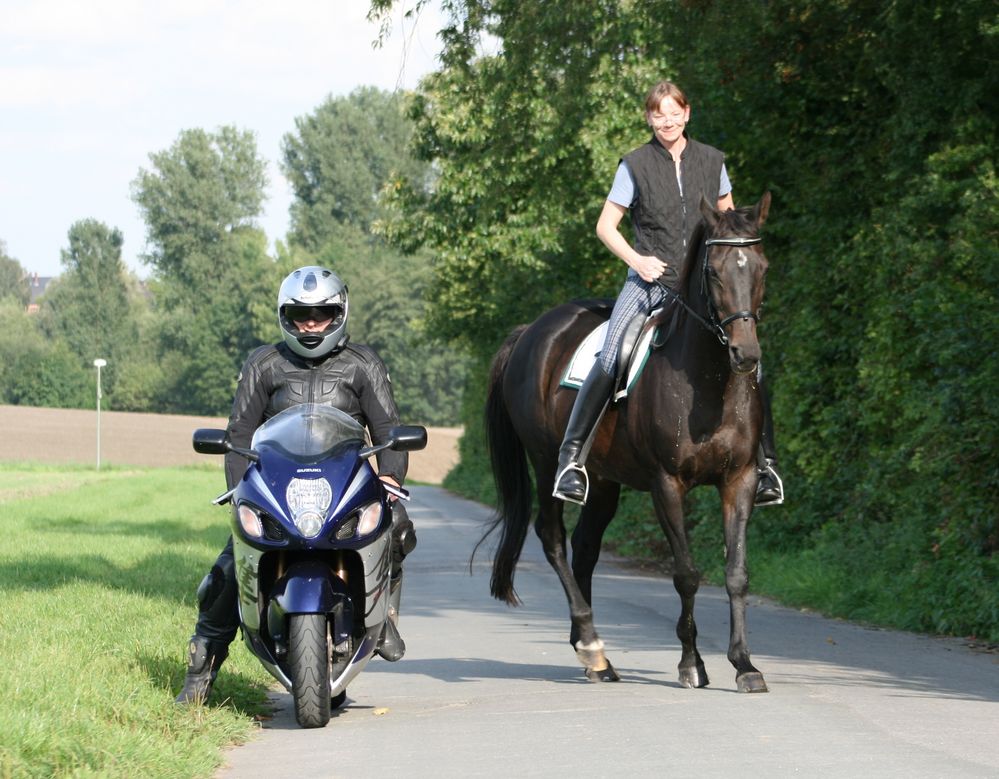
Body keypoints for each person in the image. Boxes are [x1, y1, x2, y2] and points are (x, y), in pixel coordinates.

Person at [176, 265, 416, 704]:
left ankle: (383, 615)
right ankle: (200, 673)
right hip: (281, 490)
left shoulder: (363, 365)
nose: (311, 324)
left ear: (339, 312)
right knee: (230, 570)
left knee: (396, 524)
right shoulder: (264, 364)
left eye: (321, 313)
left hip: (342, 485)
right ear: (285, 316)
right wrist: (239, 490)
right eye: (301, 314)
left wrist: (388, 478)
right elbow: (239, 435)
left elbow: (388, 429)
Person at [553, 80, 784, 507]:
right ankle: (572, 461)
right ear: (649, 118)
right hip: (649, 282)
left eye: (673, 113)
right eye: (658, 114)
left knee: (751, 357)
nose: (667, 121)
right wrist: (638, 261)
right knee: (612, 354)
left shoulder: (713, 161)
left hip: (703, 289)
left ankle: (766, 465)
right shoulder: (635, 165)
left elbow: (727, 221)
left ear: (687, 114)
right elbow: (606, 226)